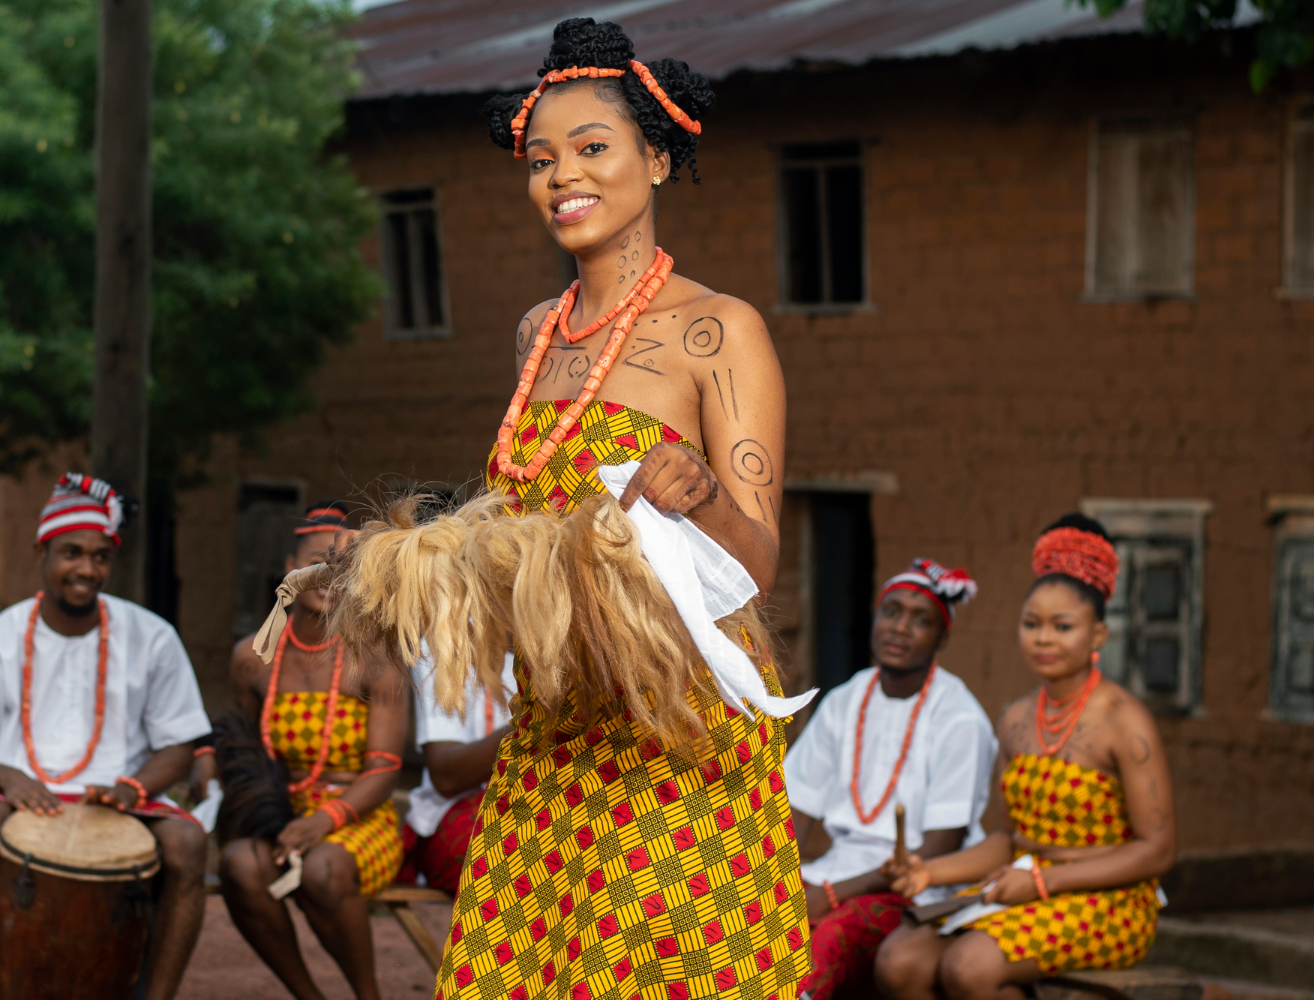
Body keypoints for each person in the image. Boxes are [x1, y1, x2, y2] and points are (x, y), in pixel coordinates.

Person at [426, 18, 810, 1000]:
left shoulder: (717, 330)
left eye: (591, 149)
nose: (561, 177)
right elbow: (521, 524)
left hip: (676, 723)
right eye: (542, 158)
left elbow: (758, 561)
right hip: (559, 716)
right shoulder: (534, 336)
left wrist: (703, 493)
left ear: (659, 156)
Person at [0, 473, 211, 1000]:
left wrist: (134, 787)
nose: (86, 568)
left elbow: (180, 742)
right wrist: (5, 775)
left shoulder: (152, 636)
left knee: (189, 843)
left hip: (123, 795)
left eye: (100, 556)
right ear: (44, 553)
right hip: (21, 794)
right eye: (71, 553)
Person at [875, 515, 1176, 1000]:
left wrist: (1042, 882)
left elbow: (1157, 850)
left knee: (967, 967)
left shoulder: (1126, 721)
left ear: (1097, 636)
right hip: (1024, 882)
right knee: (899, 961)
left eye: (1063, 626)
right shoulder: (1016, 719)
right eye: (1032, 624)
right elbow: (1012, 839)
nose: (1044, 638)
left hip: (1109, 900)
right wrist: (931, 872)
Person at [207, 501, 408, 1000]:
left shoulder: (376, 656)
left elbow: (384, 770)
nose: (329, 573)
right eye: (317, 559)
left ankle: (368, 995)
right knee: (240, 864)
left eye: (344, 564)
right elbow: (250, 752)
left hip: (361, 818)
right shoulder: (251, 659)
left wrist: (323, 821)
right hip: (284, 813)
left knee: (324, 867)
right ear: (289, 569)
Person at [783, 559, 996, 1000]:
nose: (900, 628)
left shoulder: (960, 719)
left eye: (921, 621)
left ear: (943, 637)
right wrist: (780, 883)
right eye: (892, 611)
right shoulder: (845, 701)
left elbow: (936, 853)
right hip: (834, 874)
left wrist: (831, 894)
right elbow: (794, 813)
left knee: (824, 943)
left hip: (918, 889)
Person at [398, 648, 516, 893]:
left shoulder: (559, 641)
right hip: (457, 812)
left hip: (538, 801)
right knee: (505, 857)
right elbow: (446, 776)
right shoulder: (444, 643)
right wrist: (532, 720)